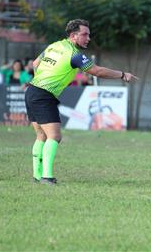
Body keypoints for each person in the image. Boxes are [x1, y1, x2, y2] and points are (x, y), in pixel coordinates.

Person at [25, 19, 138, 185]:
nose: (88, 38)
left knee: (41, 136)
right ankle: (46, 177)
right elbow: (97, 71)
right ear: (73, 35)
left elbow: (35, 63)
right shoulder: (74, 54)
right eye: (84, 34)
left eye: (89, 35)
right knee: (54, 136)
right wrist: (122, 74)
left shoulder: (54, 46)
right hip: (43, 95)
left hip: (32, 90)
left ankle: (37, 175)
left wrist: (41, 80)